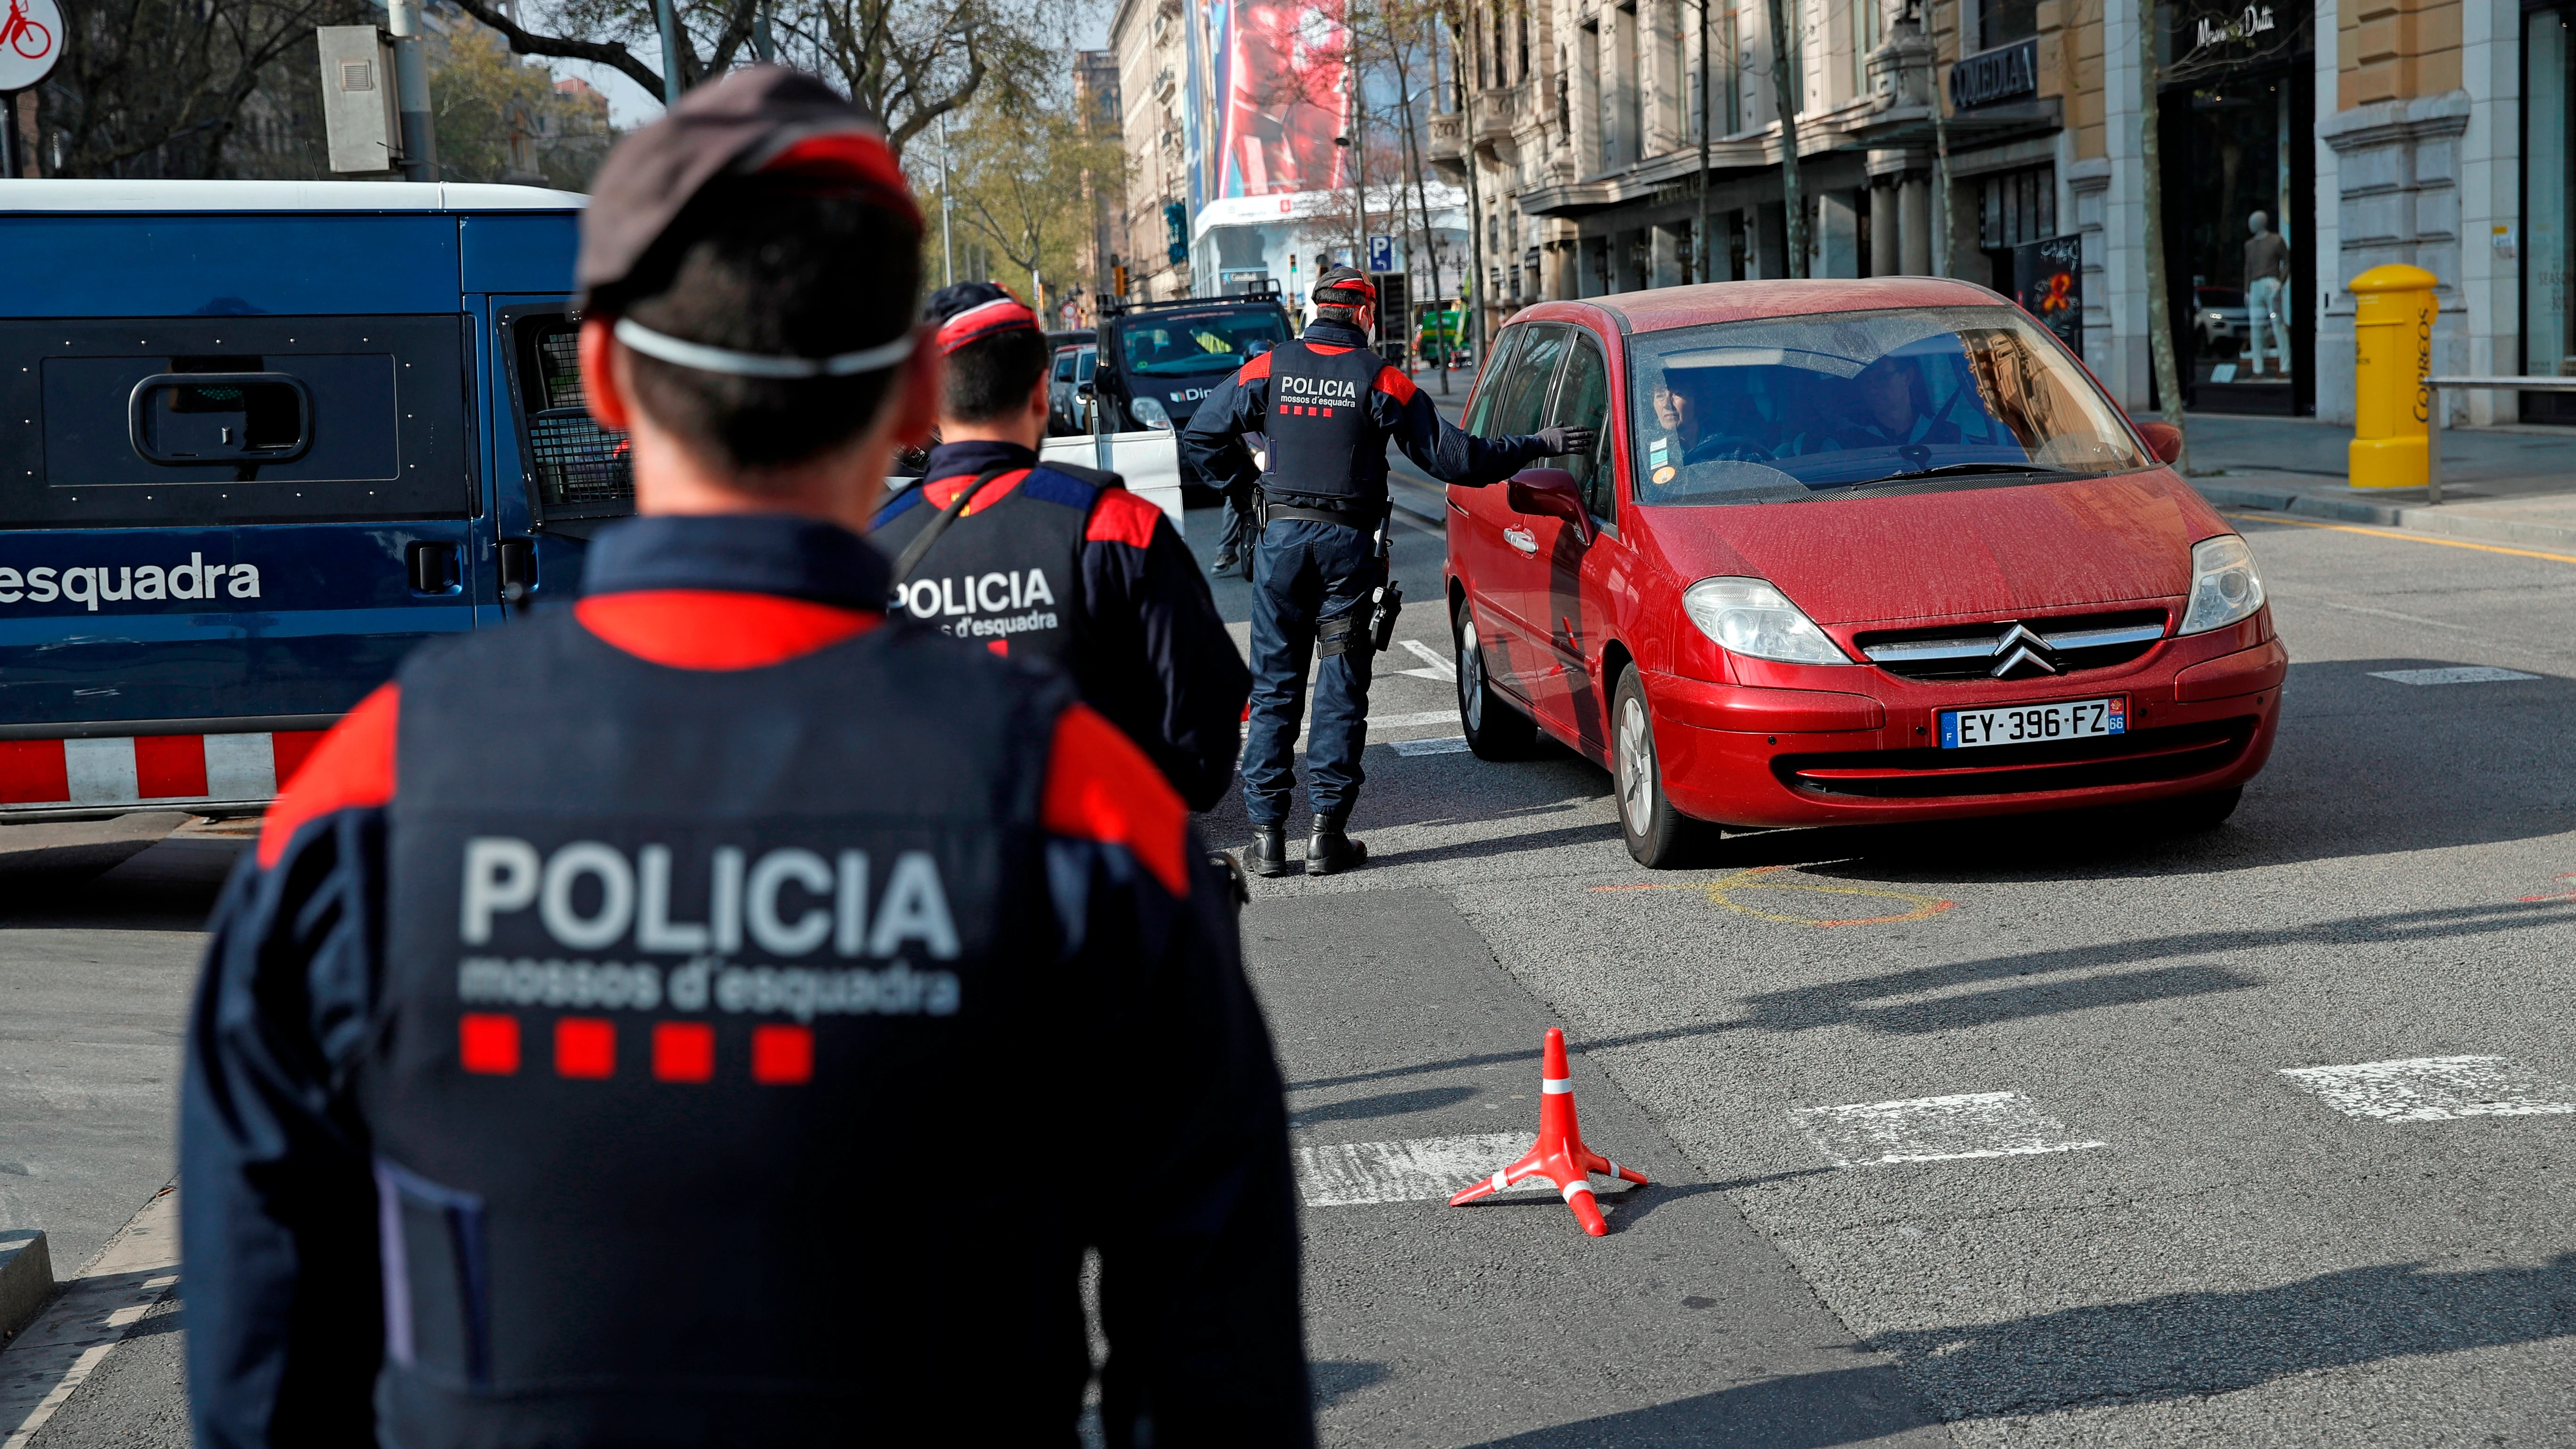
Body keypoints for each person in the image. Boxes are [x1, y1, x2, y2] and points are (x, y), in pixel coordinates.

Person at [178, 68, 1310, 1448]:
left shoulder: (364, 801)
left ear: (600, 376)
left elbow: (262, 1373)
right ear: (908, 391)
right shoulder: (1087, 818)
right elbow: (1217, 1379)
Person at [1182, 266, 1592, 877]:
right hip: (1348, 551)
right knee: (1341, 686)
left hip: (1282, 548)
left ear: (1313, 310)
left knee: (1274, 690)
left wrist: (1249, 494)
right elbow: (1459, 459)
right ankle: (1327, 833)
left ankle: (1267, 837)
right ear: (1367, 315)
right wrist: (1539, 443)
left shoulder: (1268, 368)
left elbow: (1201, 435)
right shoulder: (1381, 379)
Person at [873, 280, 1250, 810]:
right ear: (1040, 392)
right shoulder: (1119, 528)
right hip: (1098, 861)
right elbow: (1204, 724)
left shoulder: (871, 550)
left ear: (928, 407)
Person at [2245, 211, 2292, 378]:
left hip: (2270, 284)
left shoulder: (2276, 240)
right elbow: (2248, 269)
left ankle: (2286, 367)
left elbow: (2287, 261)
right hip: (2256, 286)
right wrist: (2248, 290)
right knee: (2256, 328)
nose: (2251, 224)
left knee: (2277, 323)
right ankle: (2258, 369)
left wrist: (2279, 282)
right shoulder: (2249, 245)